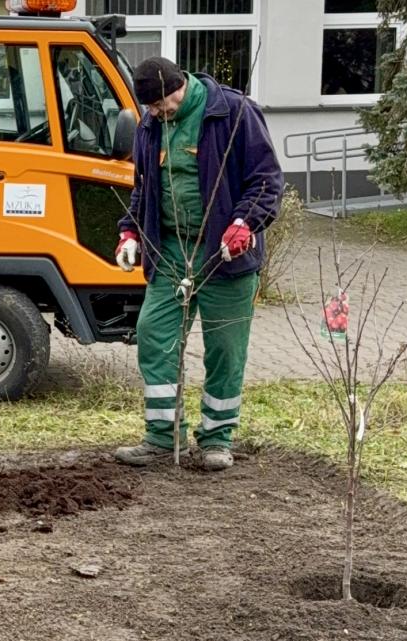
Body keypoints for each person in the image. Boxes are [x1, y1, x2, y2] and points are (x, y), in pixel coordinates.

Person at [112, 56, 282, 472]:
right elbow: (143, 188)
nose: (157, 114)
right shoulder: (150, 126)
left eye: (162, 105)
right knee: (154, 333)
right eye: (150, 108)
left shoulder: (233, 113)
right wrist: (130, 231)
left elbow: (266, 180)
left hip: (225, 254)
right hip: (171, 251)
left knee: (225, 348)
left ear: (180, 86)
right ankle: (162, 436)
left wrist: (244, 223)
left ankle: (216, 439)